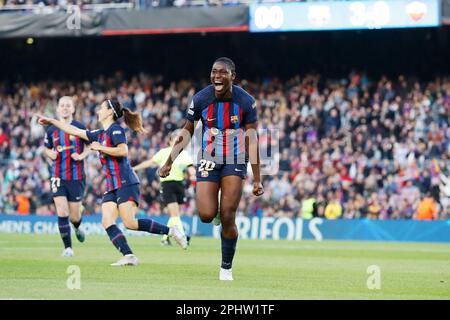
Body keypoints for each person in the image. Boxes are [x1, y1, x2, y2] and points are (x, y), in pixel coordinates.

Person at [36, 98, 187, 266]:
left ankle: (171, 231)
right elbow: (73, 130)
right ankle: (129, 255)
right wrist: (52, 121)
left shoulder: (116, 130)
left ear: (109, 112)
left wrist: (100, 148)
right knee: (106, 221)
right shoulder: (99, 134)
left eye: (101, 108)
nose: (98, 111)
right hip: (112, 185)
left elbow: (123, 151)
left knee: (129, 223)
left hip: (126, 182)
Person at [159, 57, 264, 280]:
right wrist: (169, 161)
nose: (217, 76)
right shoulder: (200, 99)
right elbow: (186, 132)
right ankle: (215, 212)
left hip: (235, 160)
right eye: (214, 72)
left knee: (228, 216)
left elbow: (252, 139)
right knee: (206, 215)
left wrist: (257, 179)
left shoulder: (246, 102)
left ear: (232, 76)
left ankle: (226, 267)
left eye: (222, 72)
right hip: (208, 159)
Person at [43, 96, 89, 257]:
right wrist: (51, 153)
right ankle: (68, 248)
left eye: (68, 105)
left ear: (73, 109)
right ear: (57, 109)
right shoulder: (51, 129)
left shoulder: (79, 127)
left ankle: (76, 226)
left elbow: (91, 146)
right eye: (62, 105)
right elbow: (46, 148)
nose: (65, 108)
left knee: (74, 216)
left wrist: (82, 156)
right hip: (57, 176)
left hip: (76, 177)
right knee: (62, 211)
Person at [133, 129, 196, 246]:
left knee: (176, 215)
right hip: (167, 185)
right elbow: (150, 162)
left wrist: (193, 175)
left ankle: (165, 237)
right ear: (170, 141)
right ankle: (183, 238)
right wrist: (135, 169)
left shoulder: (184, 154)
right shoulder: (163, 152)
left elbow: (190, 167)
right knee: (175, 214)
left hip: (180, 185)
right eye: (176, 139)